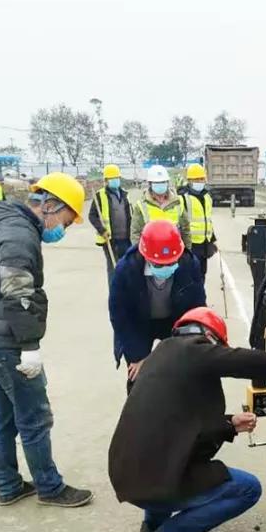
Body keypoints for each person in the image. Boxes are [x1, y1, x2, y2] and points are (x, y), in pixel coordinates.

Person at [108, 307, 266, 532]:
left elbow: (179, 422)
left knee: (160, 451)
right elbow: (257, 361)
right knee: (247, 488)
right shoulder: (195, 351)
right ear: (210, 338)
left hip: (125, 475)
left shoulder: (159, 356)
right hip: (153, 481)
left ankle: (152, 523)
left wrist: (230, 424)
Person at [0, 171, 94, 508]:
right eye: (65, 222)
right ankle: (50, 488)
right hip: (7, 344)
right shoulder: (17, 234)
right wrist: (29, 348)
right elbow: (18, 294)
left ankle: (9, 486)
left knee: (5, 417)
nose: (62, 230)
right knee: (35, 418)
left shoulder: (2, 225)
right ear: (50, 205)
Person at [109, 219, 206, 388]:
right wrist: (137, 357)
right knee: (139, 376)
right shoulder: (126, 269)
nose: (166, 268)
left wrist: (192, 344)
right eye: (160, 264)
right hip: (138, 324)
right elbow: (120, 316)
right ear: (145, 256)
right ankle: (138, 412)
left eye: (171, 263)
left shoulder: (189, 264)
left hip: (174, 321)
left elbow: (197, 308)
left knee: (181, 373)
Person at [88, 163, 132, 283]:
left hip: (126, 239)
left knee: (127, 268)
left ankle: (125, 294)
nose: (115, 181)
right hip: (110, 239)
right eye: (112, 179)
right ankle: (114, 294)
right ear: (106, 181)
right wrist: (102, 230)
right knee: (113, 269)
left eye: (117, 178)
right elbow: (92, 216)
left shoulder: (124, 194)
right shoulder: (100, 196)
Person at [129, 165, 191, 248]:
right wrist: (137, 253)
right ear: (150, 184)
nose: (160, 185)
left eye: (163, 182)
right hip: (151, 253)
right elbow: (135, 233)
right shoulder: (141, 205)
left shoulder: (178, 202)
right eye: (157, 183)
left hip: (175, 251)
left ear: (167, 183)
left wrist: (187, 251)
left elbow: (185, 230)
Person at [178, 163, 217, 279]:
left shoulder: (207, 196)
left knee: (201, 274)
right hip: (190, 245)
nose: (200, 181)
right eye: (197, 179)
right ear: (189, 181)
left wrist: (212, 239)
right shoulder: (182, 198)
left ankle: (199, 297)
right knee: (189, 275)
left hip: (204, 243)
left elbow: (208, 219)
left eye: (202, 178)